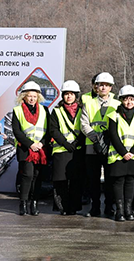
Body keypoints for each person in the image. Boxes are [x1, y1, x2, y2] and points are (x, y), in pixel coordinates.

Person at [81, 71, 118, 217]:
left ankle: (109, 207)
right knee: (93, 180)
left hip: (110, 146)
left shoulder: (117, 103)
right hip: (92, 146)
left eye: (106, 85)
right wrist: (96, 139)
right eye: (100, 85)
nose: (103, 88)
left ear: (111, 87)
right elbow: (84, 123)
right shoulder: (88, 103)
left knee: (110, 179)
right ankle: (94, 207)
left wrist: (108, 139)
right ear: (96, 87)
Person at [106, 85, 134, 221]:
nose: (129, 102)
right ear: (121, 100)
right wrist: (123, 152)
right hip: (118, 155)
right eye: (126, 100)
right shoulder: (113, 115)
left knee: (130, 182)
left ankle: (128, 210)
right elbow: (113, 135)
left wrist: (133, 152)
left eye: (131, 99)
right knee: (118, 182)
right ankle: (119, 210)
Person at [47, 80, 85, 215]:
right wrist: (65, 143)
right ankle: (62, 207)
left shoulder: (82, 110)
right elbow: (53, 130)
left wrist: (77, 142)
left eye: (71, 94)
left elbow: (85, 127)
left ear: (76, 96)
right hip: (61, 150)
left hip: (77, 150)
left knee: (76, 181)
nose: (69, 97)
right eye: (66, 94)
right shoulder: (56, 111)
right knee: (60, 181)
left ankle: (74, 207)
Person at [12, 80, 48, 215]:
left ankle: (34, 203)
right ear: (24, 97)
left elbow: (48, 130)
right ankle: (23, 203)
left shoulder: (44, 110)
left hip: (40, 150)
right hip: (25, 149)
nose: (32, 99)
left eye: (34, 96)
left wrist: (41, 143)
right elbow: (17, 131)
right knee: (27, 175)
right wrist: (30, 144)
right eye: (29, 96)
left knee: (37, 176)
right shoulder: (17, 110)